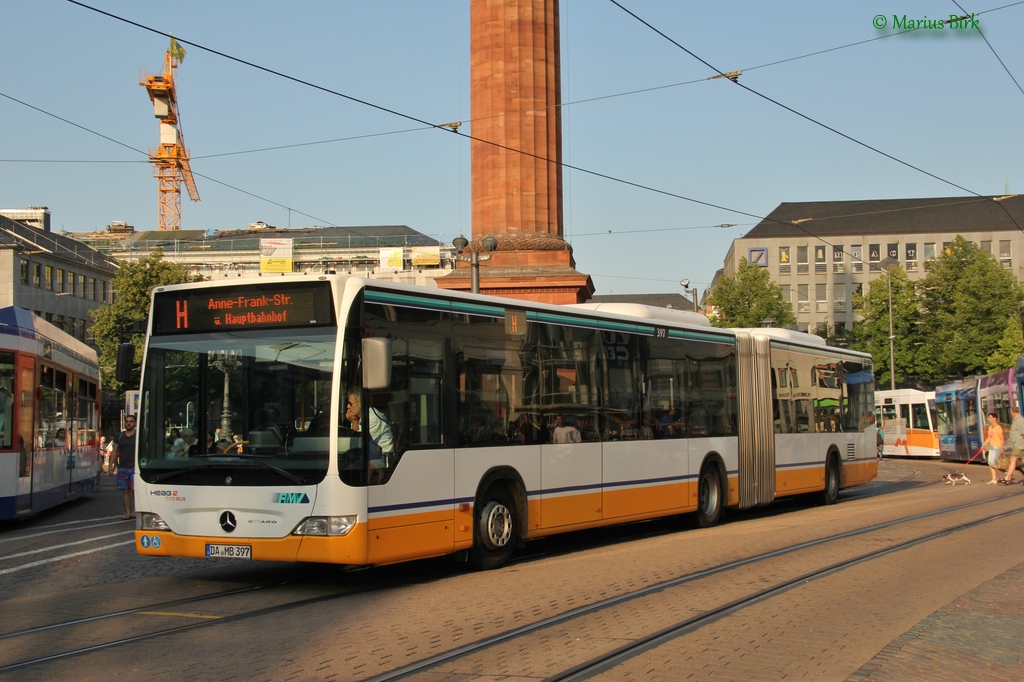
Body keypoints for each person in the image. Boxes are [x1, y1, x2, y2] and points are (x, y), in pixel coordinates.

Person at [346, 388, 394, 473]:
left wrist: (354, 422)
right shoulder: (360, 417)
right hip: (370, 456)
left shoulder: (373, 418)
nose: (348, 407)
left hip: (381, 460)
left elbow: (357, 445)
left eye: (350, 403)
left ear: (360, 404)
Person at [111, 415, 138, 519]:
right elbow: (115, 451)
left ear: (135, 423)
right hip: (123, 467)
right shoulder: (120, 436)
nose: (129, 423)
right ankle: (127, 512)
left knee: (134, 489)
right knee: (125, 490)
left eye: (131, 421)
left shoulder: (138, 435)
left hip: (135, 466)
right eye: (127, 421)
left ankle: (136, 510)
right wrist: (112, 465)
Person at [1000, 406, 1024, 484]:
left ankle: (1007, 478)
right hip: (1019, 444)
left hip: (1019, 444)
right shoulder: (1018, 420)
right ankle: (1008, 478)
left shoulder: (1019, 420)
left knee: (1013, 459)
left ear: (1012, 413)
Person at [982, 412, 1005, 485]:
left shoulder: (998, 428)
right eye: (988, 418)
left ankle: (1007, 472)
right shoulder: (990, 428)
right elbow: (989, 438)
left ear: (995, 419)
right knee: (990, 463)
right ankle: (994, 479)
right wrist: (983, 445)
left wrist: (1002, 448)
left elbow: (1002, 438)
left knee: (992, 463)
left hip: (997, 446)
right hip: (991, 446)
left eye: (990, 418)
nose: (989, 419)